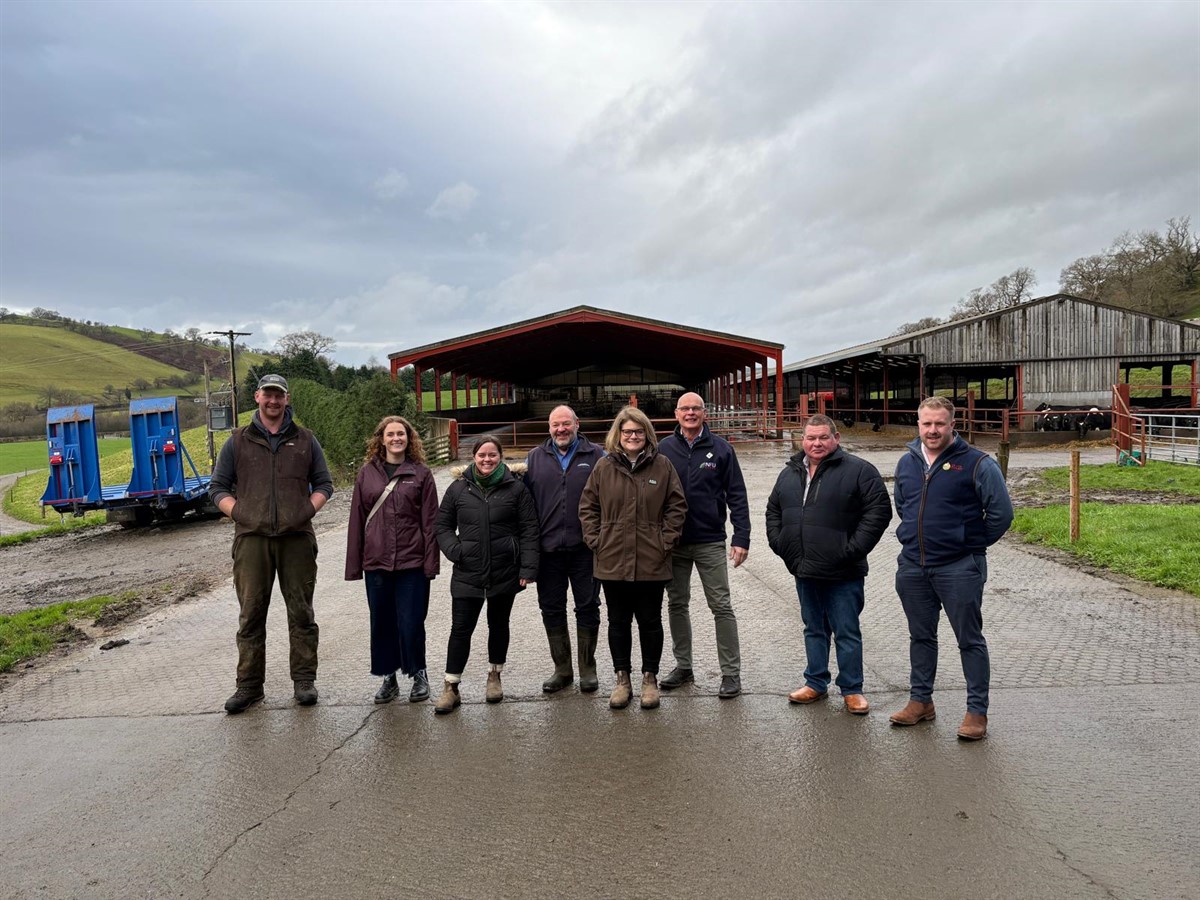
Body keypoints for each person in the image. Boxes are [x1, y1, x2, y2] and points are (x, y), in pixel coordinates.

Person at [890, 396, 1014, 741]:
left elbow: (1002, 514)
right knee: (921, 636)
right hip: (914, 566)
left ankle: (977, 711)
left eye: (939, 423)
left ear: (952, 424)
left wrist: (970, 544)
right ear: (918, 425)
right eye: (926, 423)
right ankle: (921, 702)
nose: (932, 430)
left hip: (959, 568)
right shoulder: (907, 462)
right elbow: (904, 506)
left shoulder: (977, 463)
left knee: (969, 639)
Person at [209, 374, 334, 714]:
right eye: (268, 395)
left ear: (287, 399)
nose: (274, 402)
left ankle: (304, 681)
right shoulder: (238, 441)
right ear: (257, 397)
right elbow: (218, 487)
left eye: (279, 396)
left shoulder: (306, 440)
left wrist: (306, 510)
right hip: (251, 541)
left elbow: (324, 483)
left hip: (297, 540)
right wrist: (242, 514)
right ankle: (249, 686)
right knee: (251, 614)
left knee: (301, 612)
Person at [765, 415, 892, 714]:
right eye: (811, 438)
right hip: (804, 567)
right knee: (813, 628)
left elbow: (878, 513)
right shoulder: (790, 473)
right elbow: (773, 509)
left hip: (843, 570)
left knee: (846, 629)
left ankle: (852, 688)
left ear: (836, 438)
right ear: (802, 440)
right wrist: (782, 544)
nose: (816, 443)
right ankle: (815, 682)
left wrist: (851, 550)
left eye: (823, 437)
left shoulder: (859, 471)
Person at [579, 406, 687, 711]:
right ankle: (622, 679)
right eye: (627, 432)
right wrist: (596, 540)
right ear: (618, 434)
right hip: (612, 559)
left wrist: (665, 542)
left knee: (650, 621)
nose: (633, 436)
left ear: (647, 435)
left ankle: (649, 679)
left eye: (638, 431)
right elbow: (588, 507)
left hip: (651, 559)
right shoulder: (604, 467)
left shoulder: (662, 466)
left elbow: (676, 507)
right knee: (618, 621)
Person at [434, 435, 539, 714]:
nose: (487, 460)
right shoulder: (458, 489)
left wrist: (528, 567)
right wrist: (455, 551)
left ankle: (495, 675)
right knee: (460, 629)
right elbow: (442, 525)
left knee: (499, 624)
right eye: (482, 455)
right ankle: (451, 685)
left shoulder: (516, 489)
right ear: (474, 457)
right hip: (467, 571)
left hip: (505, 569)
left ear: (501, 457)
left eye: (492, 455)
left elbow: (529, 529)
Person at [657, 393, 750, 698]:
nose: (691, 412)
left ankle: (731, 673)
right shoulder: (663, 449)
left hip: (710, 540)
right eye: (685, 408)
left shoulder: (721, 449)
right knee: (676, 603)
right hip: (674, 542)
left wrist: (741, 537)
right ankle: (684, 666)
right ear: (676, 413)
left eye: (696, 408)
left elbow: (737, 494)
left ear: (705, 413)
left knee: (721, 606)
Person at [345, 416, 440, 704]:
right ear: (381, 439)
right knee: (382, 622)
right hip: (377, 563)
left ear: (409, 439)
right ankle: (388, 677)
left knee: (411, 622)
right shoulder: (367, 474)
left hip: (412, 562)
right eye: (391, 434)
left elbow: (430, 523)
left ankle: (418, 673)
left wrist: (430, 563)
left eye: (401, 434)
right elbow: (357, 520)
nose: (396, 438)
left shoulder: (421, 474)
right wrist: (354, 566)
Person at [523, 405, 605, 694]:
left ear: (577, 424)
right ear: (549, 427)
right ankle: (562, 669)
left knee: (588, 607)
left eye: (566, 424)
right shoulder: (534, 458)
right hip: (548, 552)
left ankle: (587, 669)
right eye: (556, 425)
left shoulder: (596, 456)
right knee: (551, 609)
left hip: (585, 549)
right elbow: (524, 507)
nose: (561, 429)